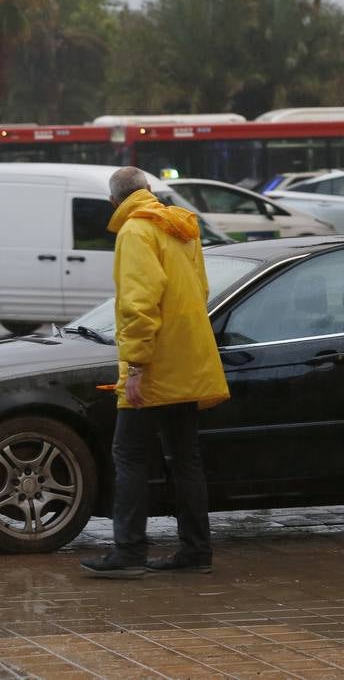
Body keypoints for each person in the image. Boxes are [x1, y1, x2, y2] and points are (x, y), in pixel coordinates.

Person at [80, 167, 229, 578]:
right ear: (148, 190)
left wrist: (138, 366)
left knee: (128, 456)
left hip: (154, 363)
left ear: (115, 202)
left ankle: (128, 552)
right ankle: (197, 551)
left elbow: (138, 304)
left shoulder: (134, 232)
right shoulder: (181, 227)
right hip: (188, 358)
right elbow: (198, 291)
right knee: (186, 459)